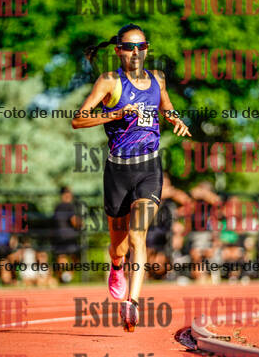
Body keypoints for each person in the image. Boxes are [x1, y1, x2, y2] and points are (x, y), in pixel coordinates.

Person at [72, 23, 191, 331]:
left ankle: (133, 303)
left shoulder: (158, 78)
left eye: (141, 46)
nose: (136, 52)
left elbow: (166, 105)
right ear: (118, 50)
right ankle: (116, 267)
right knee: (119, 247)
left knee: (138, 235)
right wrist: (115, 113)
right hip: (118, 172)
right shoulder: (109, 81)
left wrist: (175, 118)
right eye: (129, 47)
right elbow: (78, 120)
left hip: (149, 168)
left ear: (147, 49)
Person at [53, 186, 82, 283]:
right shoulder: (69, 206)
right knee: (75, 259)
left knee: (61, 258)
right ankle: (67, 276)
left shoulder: (57, 207)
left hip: (59, 236)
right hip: (69, 237)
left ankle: (62, 278)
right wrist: (81, 223)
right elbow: (74, 221)